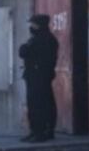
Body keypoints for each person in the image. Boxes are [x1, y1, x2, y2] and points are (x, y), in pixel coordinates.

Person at [19, 14, 59, 142]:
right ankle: (35, 130)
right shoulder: (37, 39)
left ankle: (42, 131)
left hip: (40, 76)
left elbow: (25, 51)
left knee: (40, 104)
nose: (31, 27)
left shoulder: (45, 40)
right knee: (34, 104)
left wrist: (25, 49)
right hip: (35, 75)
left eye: (34, 24)